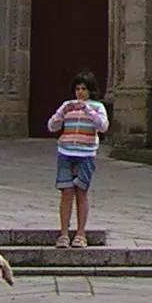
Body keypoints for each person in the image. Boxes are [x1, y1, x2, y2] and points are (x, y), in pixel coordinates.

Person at [47, 73, 108, 247]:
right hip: (66, 152)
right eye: (77, 89)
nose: (80, 93)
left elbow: (103, 126)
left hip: (86, 154)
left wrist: (87, 110)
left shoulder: (97, 107)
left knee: (81, 192)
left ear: (90, 91)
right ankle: (64, 234)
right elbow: (52, 126)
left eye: (83, 89)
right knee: (66, 192)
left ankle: (81, 234)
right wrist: (62, 113)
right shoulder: (67, 106)